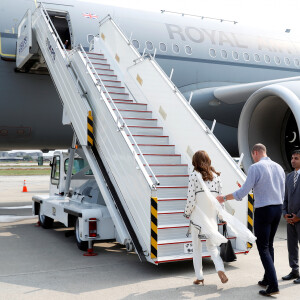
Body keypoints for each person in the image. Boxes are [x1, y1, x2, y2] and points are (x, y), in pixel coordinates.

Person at [217, 143, 285, 297]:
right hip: (277, 208)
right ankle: (268, 279)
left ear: (255, 153)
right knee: (270, 245)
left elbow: (242, 192)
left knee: (263, 248)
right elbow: (282, 190)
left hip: (264, 210)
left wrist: (224, 198)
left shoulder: (255, 168)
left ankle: (273, 285)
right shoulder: (279, 167)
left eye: (252, 155)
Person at [184, 150, 228, 285]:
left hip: (197, 218)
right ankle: (220, 269)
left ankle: (200, 277)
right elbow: (220, 200)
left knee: (197, 248)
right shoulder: (217, 177)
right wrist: (222, 215)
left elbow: (191, 199)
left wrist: (187, 212)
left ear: (195, 162)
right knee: (212, 246)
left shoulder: (193, 176)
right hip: (211, 218)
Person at [282, 150, 300, 284]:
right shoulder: (289, 177)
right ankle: (294, 271)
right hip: (290, 220)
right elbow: (285, 198)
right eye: (292, 158)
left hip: (299, 219)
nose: (293, 160)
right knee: (292, 246)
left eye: (296, 158)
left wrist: (298, 216)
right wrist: (285, 214)